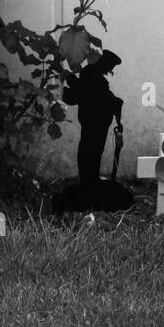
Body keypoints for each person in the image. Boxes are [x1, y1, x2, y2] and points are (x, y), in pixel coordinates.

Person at [54, 49, 132, 213]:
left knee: (93, 153)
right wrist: (114, 101)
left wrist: (114, 102)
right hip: (93, 124)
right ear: (104, 63)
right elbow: (93, 95)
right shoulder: (91, 75)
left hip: (98, 124)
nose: (110, 71)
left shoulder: (95, 77)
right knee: (89, 153)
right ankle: (88, 184)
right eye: (110, 66)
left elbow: (103, 96)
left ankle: (91, 182)